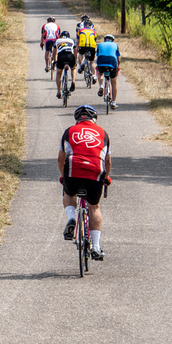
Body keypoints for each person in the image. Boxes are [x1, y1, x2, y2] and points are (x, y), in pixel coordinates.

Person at [59, 104, 111, 259]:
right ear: (94, 118)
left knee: (69, 194)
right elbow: (107, 161)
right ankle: (95, 246)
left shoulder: (69, 131)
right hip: (95, 171)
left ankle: (71, 218)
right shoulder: (103, 133)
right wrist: (106, 177)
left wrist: (63, 176)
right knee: (94, 207)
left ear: (77, 119)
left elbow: (60, 159)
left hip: (73, 170)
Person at [95, 34, 121, 102]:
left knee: (100, 74)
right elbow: (118, 59)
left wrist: (98, 65)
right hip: (112, 61)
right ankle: (114, 102)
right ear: (112, 40)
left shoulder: (100, 45)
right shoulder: (115, 45)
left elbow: (97, 56)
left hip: (101, 60)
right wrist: (117, 67)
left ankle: (101, 86)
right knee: (114, 82)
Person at [53, 33, 77, 98]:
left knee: (58, 74)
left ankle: (58, 91)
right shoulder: (72, 40)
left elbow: (54, 52)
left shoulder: (57, 41)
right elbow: (75, 52)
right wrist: (75, 61)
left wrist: (55, 61)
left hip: (61, 56)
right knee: (73, 68)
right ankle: (73, 81)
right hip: (70, 55)